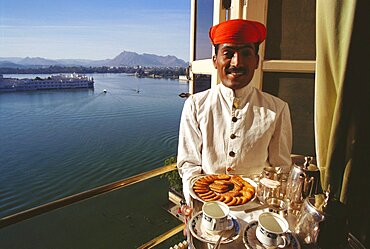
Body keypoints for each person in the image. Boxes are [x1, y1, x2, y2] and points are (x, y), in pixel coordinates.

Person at [177, 19, 292, 203]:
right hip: (207, 208)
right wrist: (194, 205)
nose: (237, 63)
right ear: (215, 61)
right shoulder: (195, 105)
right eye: (228, 53)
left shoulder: (277, 109)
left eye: (246, 53)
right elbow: (189, 165)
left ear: (256, 61)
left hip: (256, 211)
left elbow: (281, 169)